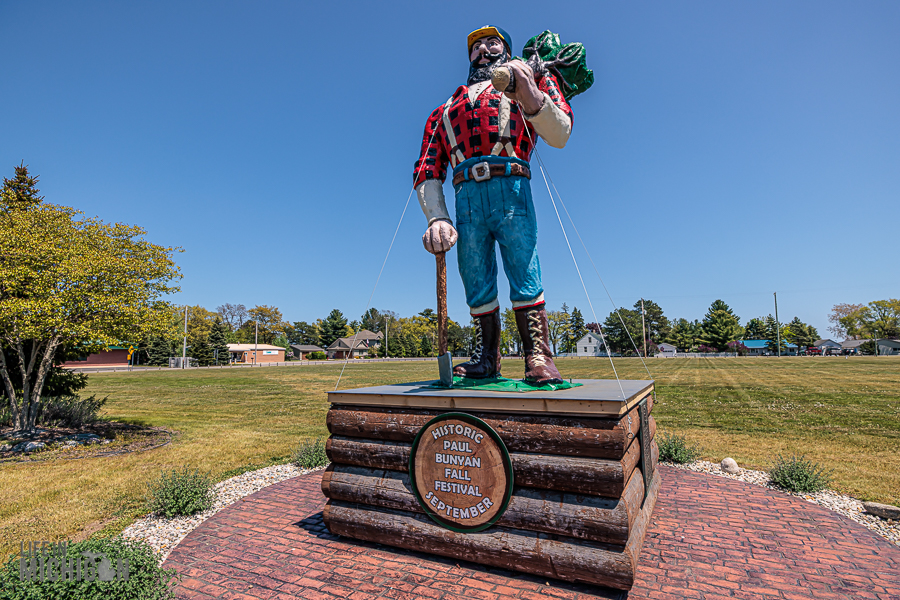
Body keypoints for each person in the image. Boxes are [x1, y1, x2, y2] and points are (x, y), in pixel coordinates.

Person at [413, 25, 574, 384]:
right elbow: (427, 168)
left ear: (506, 50)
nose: (483, 50)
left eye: (492, 43)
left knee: (524, 265)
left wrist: (530, 92)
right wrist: (436, 216)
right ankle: (488, 355)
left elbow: (560, 132)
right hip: (465, 195)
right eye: (476, 46)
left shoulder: (528, 83)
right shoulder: (444, 110)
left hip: (512, 185)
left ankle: (538, 354)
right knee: (474, 272)